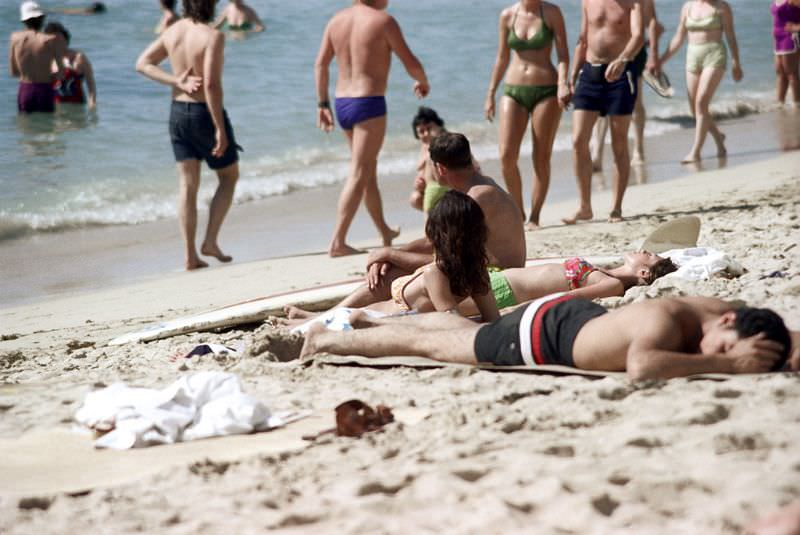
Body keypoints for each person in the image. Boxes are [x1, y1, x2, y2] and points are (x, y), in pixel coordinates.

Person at [286, 132, 525, 318]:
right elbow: (434, 242)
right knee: (394, 269)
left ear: (440, 168)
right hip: (488, 270)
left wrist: (389, 254)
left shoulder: (476, 198)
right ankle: (325, 316)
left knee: (394, 276)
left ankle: (324, 318)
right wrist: (388, 254)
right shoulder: (481, 186)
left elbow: (443, 252)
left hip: (498, 278)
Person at [300, 295, 793, 381]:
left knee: (465, 330)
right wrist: (729, 366)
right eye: (726, 348)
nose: (721, 357)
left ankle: (370, 320)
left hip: (575, 319)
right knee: (433, 347)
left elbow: (787, 334)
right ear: (727, 326)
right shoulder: (664, 322)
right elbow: (643, 368)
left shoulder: (720, 314)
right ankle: (326, 341)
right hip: (540, 338)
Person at [315, 0, 430, 257]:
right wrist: (422, 81)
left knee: (368, 170)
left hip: (342, 102)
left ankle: (384, 231)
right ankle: (338, 241)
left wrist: (322, 103)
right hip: (368, 103)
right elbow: (409, 60)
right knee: (359, 171)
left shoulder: (336, 21)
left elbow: (321, 64)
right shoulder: (383, 21)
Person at [286, 191, 500, 328]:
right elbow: (457, 325)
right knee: (303, 328)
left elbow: (479, 322)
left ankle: (309, 319)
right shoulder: (437, 273)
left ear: (437, 236)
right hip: (353, 322)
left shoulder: (462, 272)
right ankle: (308, 320)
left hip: (371, 322)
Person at [136, 0, 241, 270]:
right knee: (229, 177)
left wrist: (176, 81)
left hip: (177, 113)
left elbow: (143, 63)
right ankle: (210, 241)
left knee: (187, 185)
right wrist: (219, 128)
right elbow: (211, 85)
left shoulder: (172, 31)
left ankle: (189, 255)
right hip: (203, 113)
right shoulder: (213, 36)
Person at [484, 0, 570, 230]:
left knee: (540, 156)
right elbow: (502, 57)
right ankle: (518, 211)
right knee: (506, 156)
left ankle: (534, 216)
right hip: (513, 90)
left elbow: (563, 54)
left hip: (547, 90)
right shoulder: (507, 15)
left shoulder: (551, 12)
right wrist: (491, 92)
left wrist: (563, 84)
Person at [565, 0, 644, 225]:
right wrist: (571, 78)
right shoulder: (587, 1)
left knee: (619, 142)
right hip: (589, 73)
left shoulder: (632, 3)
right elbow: (583, 38)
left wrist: (622, 59)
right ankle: (584, 207)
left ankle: (616, 207)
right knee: (578, 141)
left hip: (620, 75)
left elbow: (638, 36)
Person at [457, 251, 677, 315]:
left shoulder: (612, 285)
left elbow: (561, 299)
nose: (646, 251)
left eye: (651, 256)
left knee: (429, 305)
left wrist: (513, 311)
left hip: (503, 292)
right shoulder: (603, 272)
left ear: (644, 273)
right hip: (496, 278)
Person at [659, 0, 743, 164]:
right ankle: (719, 139)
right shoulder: (687, 7)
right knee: (694, 108)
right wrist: (660, 61)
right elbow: (679, 37)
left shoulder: (722, 7)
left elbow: (731, 36)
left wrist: (736, 62)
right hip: (692, 57)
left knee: (701, 102)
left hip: (715, 56)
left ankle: (695, 152)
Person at [591, 0, 664, 169]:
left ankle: (639, 150)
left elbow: (652, 23)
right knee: (602, 103)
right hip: (607, 52)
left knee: (635, 102)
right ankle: (597, 154)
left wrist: (654, 54)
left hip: (633, 53)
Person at [9, 1, 63, 114]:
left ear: (24, 20)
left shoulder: (15, 38)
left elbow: (13, 72)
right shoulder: (51, 40)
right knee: (46, 127)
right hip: (45, 89)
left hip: (25, 90)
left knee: (25, 127)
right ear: (42, 19)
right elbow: (60, 74)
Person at [44, 22, 96, 109]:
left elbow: (91, 84)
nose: (57, 43)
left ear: (66, 38)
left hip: (77, 107)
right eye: (53, 41)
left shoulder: (79, 57)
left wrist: (92, 102)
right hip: (56, 109)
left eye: (60, 39)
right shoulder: (47, 60)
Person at [408, 107, 448, 212]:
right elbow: (422, 171)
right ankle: (439, 218)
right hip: (432, 188)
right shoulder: (425, 145)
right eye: (421, 131)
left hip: (449, 187)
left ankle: (441, 217)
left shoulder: (447, 141)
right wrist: (419, 184)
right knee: (415, 198)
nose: (426, 134)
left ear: (439, 126)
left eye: (429, 129)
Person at [771, 0, 800, 107]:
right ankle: (780, 104)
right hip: (778, 39)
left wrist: (796, 27)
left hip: (789, 37)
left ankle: (797, 105)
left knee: (791, 73)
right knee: (780, 72)